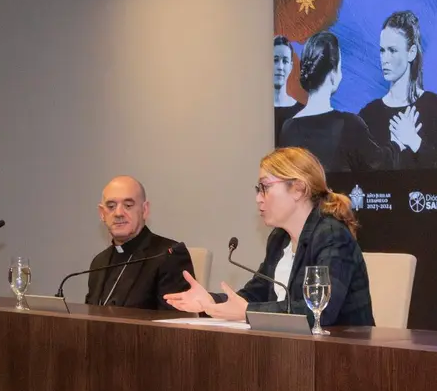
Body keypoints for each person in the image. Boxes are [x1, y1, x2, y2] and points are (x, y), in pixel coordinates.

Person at [163, 147, 375, 327]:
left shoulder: (331, 236)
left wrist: (247, 312)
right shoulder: (279, 238)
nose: (258, 198)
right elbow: (256, 295)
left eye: (265, 188)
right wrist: (210, 301)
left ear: (298, 189)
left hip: (342, 359)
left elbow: (320, 312)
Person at [279, 32, 398, 173]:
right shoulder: (350, 125)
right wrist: (397, 144)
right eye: (340, 67)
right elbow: (379, 165)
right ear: (332, 75)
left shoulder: (288, 128)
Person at [359, 11, 437, 169]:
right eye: (382, 50)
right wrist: (395, 145)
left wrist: (414, 141)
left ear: (411, 53)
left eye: (392, 50)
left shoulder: (432, 105)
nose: (385, 59)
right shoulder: (369, 114)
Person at [86, 176, 194, 310]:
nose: (118, 213)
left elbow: (174, 324)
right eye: (111, 206)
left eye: (128, 205)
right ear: (102, 213)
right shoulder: (99, 262)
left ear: (145, 210)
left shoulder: (169, 255)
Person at [273, 35, 304, 144]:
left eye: (285, 61)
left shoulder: (302, 112)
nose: (280, 67)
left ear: (291, 66)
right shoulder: (256, 111)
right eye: (275, 60)